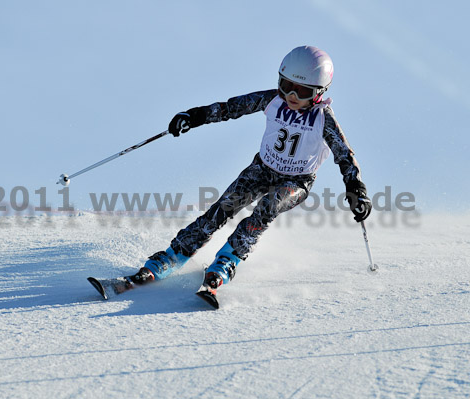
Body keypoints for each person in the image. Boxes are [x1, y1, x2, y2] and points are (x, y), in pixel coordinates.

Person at [132, 45, 372, 295]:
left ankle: (226, 261)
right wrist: (194, 116)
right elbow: (230, 108)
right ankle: (172, 256)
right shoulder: (271, 99)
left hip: (297, 182)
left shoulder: (324, 118)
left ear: (319, 93)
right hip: (261, 169)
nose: (291, 95)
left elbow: (344, 155)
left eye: (301, 91)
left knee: (267, 208)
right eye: (285, 85)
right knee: (221, 209)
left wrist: (357, 189)